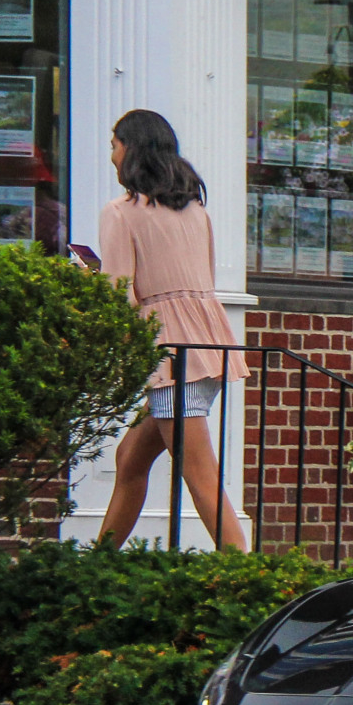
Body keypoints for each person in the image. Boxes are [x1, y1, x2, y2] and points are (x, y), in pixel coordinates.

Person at [95, 109, 247, 551]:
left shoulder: (120, 212)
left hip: (168, 354)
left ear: (132, 149)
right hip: (208, 345)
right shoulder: (195, 210)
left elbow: (119, 294)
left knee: (200, 476)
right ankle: (96, 565)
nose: (111, 154)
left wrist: (91, 282)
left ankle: (246, 570)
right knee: (130, 458)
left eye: (114, 144)